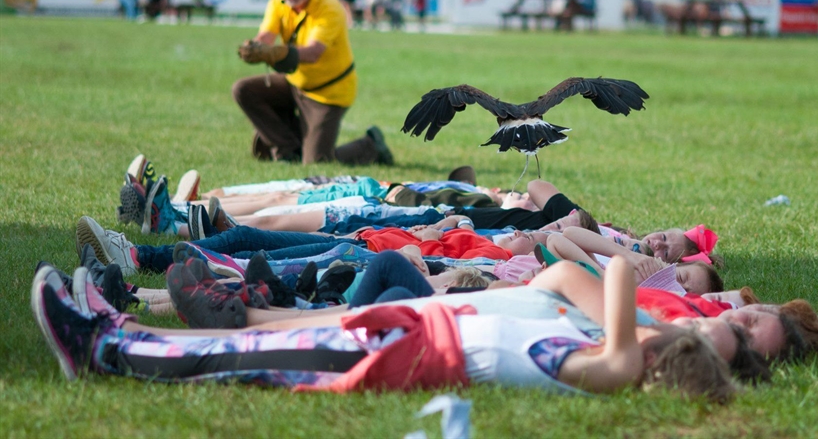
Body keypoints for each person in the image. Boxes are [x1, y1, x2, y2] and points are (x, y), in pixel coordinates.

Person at [31, 256, 735, 400]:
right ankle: (112, 331)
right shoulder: (603, 360)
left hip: (410, 354)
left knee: (244, 354)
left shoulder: (610, 369)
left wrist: (656, 331)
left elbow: (616, 278)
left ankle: (100, 348)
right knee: (247, 348)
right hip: (414, 333)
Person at [232, 0, 392, 166]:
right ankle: (287, 148)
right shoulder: (278, 1)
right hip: (296, 83)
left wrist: (277, 53)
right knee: (243, 90)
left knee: (316, 163)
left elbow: (313, 52)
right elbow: (266, 36)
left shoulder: (330, 8)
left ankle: (371, 146)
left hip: (328, 93)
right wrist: (256, 46)